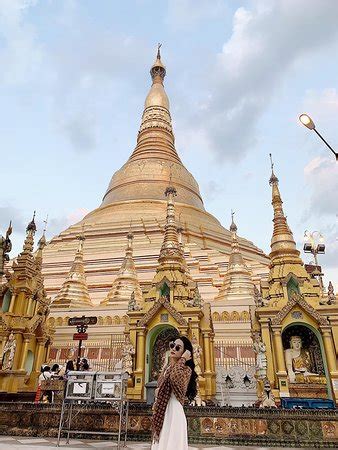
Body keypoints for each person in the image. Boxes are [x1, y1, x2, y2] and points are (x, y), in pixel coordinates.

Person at [151, 336, 198, 450]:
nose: (173, 349)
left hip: (174, 409)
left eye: (178, 348)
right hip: (162, 410)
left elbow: (175, 377)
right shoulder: (167, 368)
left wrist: (183, 359)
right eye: (172, 345)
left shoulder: (186, 369)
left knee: (172, 443)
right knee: (162, 441)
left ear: (184, 352)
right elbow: (160, 385)